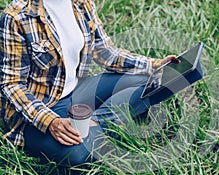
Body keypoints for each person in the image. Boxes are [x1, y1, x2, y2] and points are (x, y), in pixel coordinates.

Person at [0, 0, 178, 166]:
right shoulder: (16, 17)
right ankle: (101, 123)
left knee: (152, 80)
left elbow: (107, 53)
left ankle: (94, 122)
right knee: (78, 154)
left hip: (78, 90)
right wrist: (51, 121)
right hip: (45, 106)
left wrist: (154, 65)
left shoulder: (82, 3)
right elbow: (11, 84)